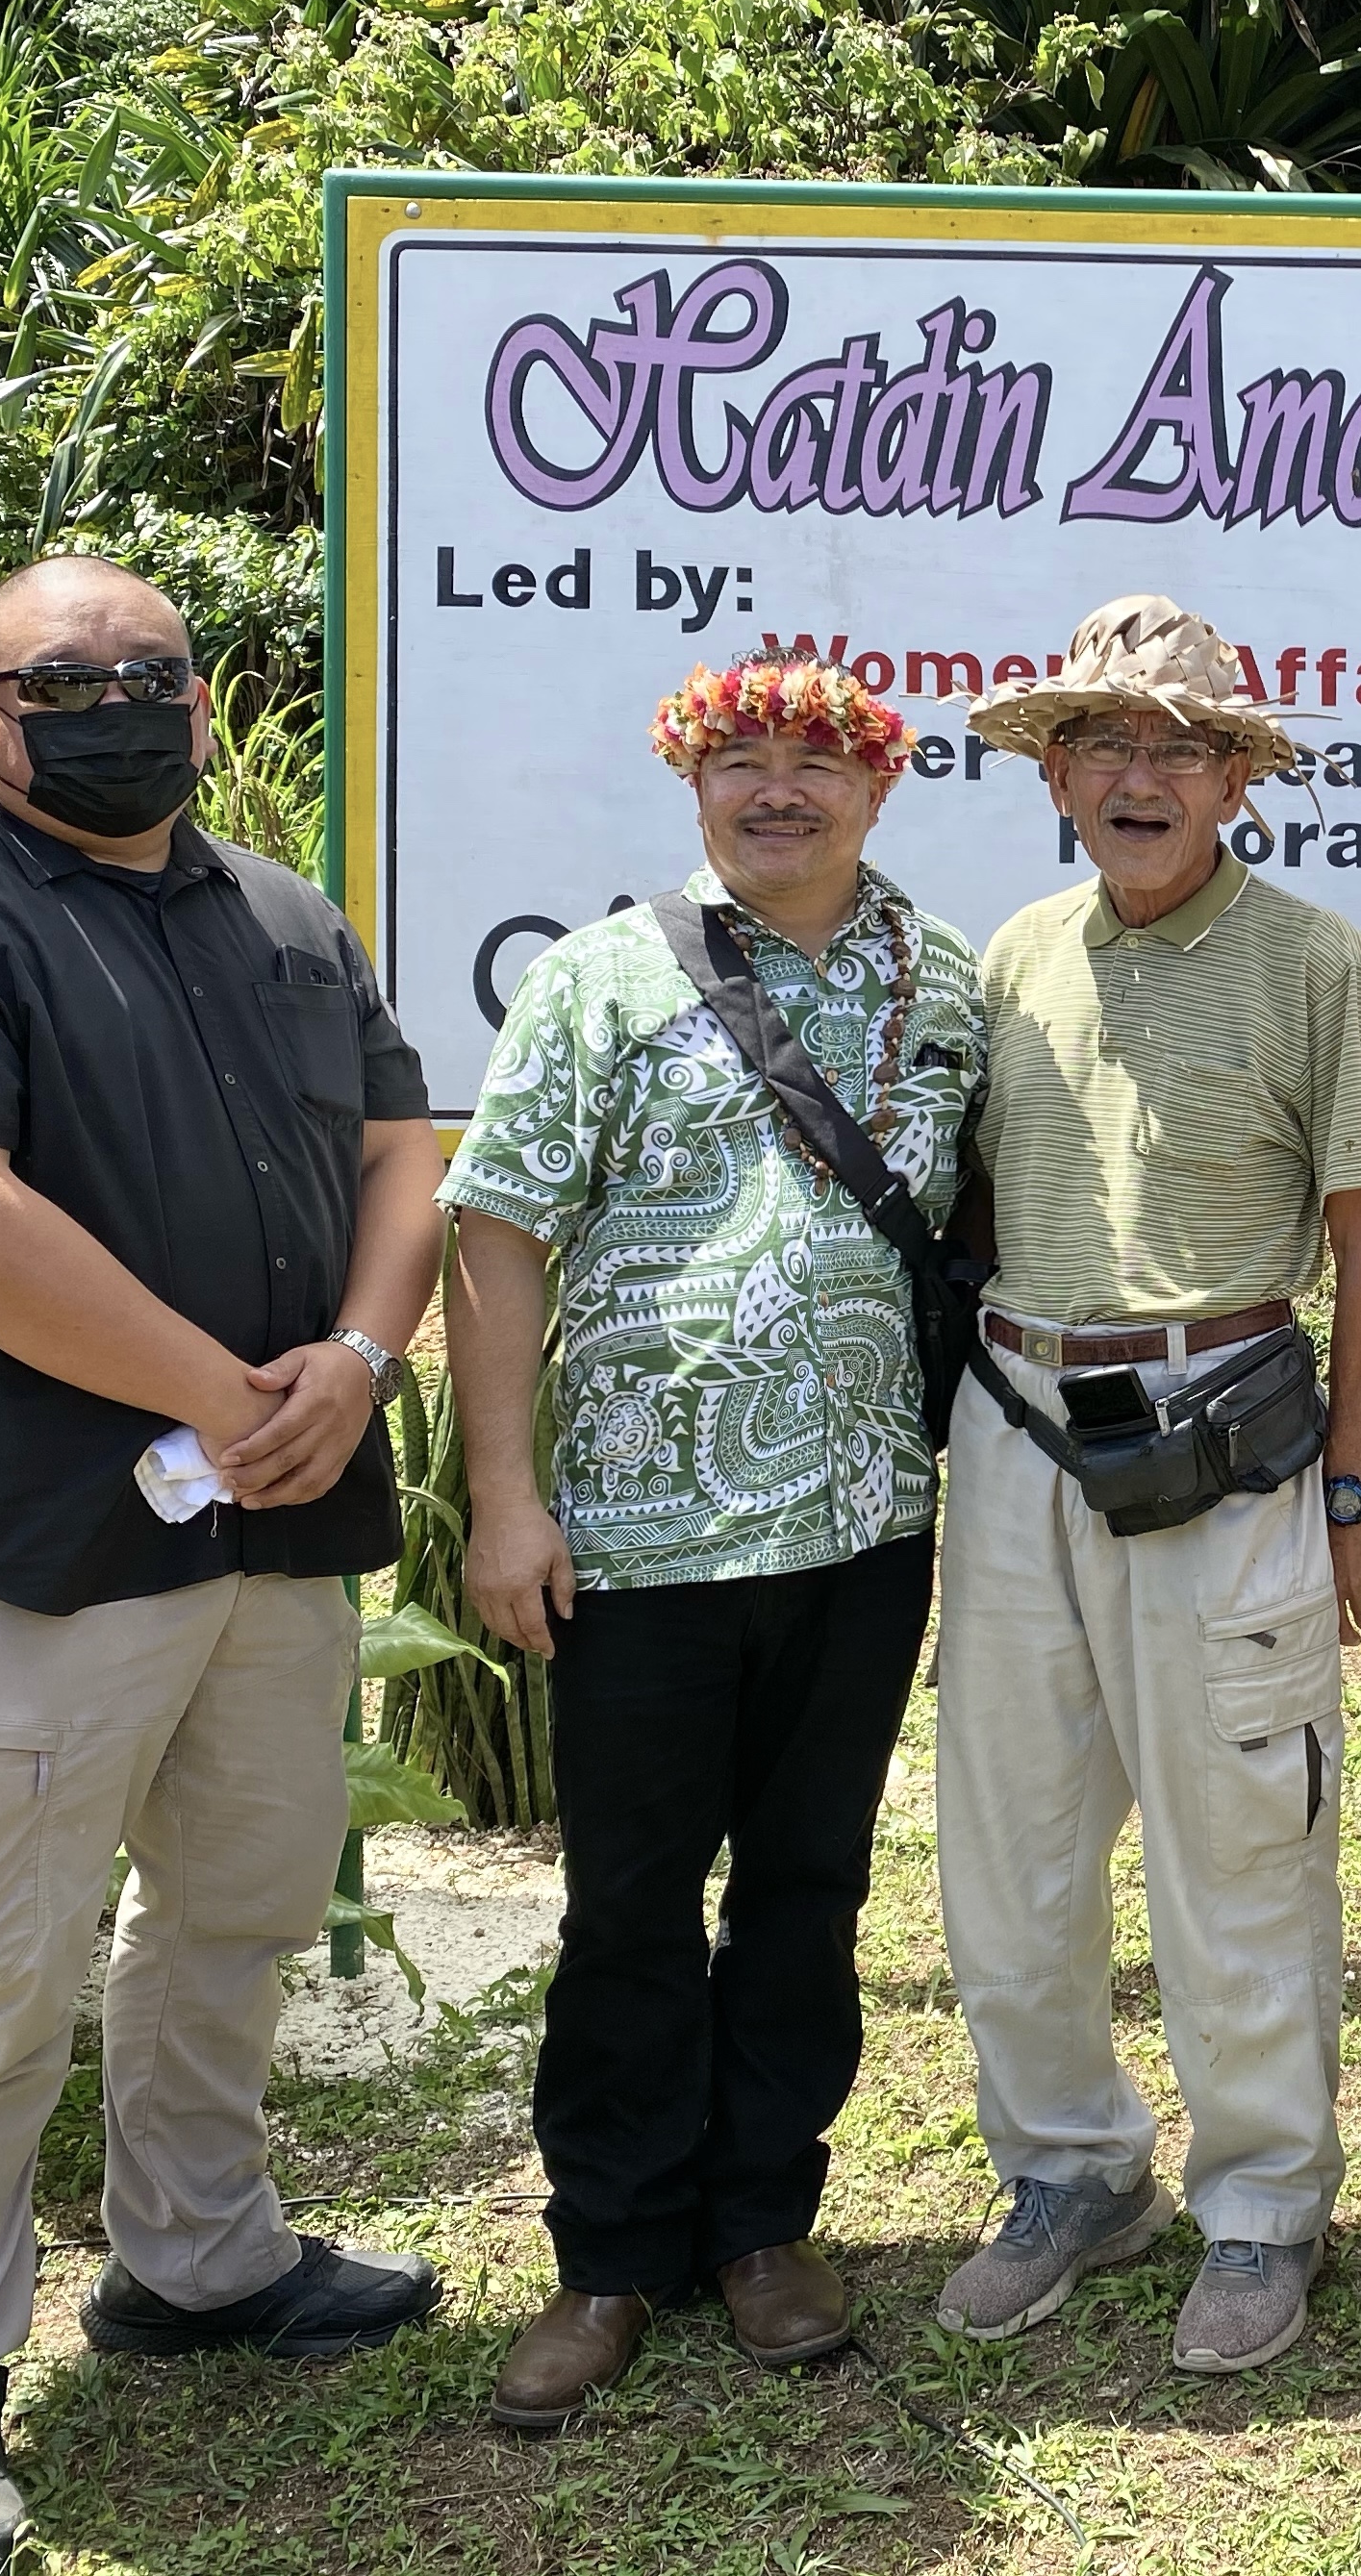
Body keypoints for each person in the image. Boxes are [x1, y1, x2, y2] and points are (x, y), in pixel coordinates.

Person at [0, 556, 445, 2576]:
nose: (114, 704)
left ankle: (200, 2266)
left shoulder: (284, 916)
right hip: (41, 1549)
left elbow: (403, 1152)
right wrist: (217, 1387)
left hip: (283, 1530)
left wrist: (358, 1355)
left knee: (232, 1924)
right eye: (59, 680)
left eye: (149, 672)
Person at [440, 640, 981, 2430]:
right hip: (641, 1543)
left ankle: (762, 2226)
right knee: (627, 1909)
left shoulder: (950, 985)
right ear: (691, 784)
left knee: (810, 1890)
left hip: (863, 1530)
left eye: (816, 764)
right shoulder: (601, 980)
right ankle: (607, 2253)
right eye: (741, 760)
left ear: (878, 788)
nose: (778, 789)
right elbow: (500, 1233)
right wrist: (505, 1498)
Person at [928, 595, 1361, 2379]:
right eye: (1108, 744)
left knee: (1239, 1830)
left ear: (1235, 780)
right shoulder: (1015, 955)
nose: (1143, 777)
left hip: (1222, 1424)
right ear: (1053, 771)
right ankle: (1066, 2168)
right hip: (1015, 1419)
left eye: (1182, 747)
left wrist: (1355, 1486)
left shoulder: (1313, 960)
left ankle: (1267, 2201)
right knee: (1010, 1826)